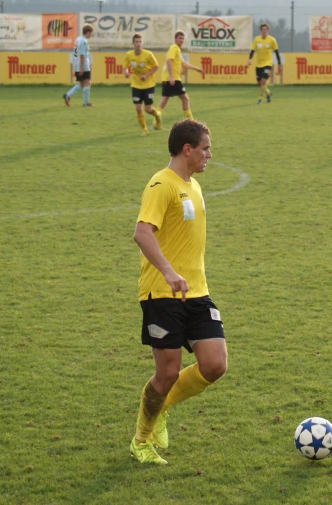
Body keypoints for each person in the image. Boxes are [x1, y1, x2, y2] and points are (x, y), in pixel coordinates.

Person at [130, 119, 227, 465]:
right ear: (187, 149)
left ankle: (162, 407)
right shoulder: (161, 184)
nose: (209, 155)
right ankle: (141, 440)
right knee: (167, 373)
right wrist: (169, 272)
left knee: (215, 365)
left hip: (197, 292)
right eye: (205, 148)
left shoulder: (194, 186)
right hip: (162, 293)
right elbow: (142, 233)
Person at [157, 31, 204, 121]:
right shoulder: (174, 48)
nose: (182, 40)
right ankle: (191, 121)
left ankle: (156, 122)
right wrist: (171, 76)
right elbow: (169, 60)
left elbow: (183, 63)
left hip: (168, 79)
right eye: (180, 38)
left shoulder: (176, 49)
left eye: (183, 38)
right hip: (173, 79)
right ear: (175, 39)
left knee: (163, 101)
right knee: (185, 99)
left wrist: (197, 69)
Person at [123, 33, 163, 135]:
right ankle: (144, 129)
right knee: (138, 107)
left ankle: (157, 116)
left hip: (148, 84)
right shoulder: (128, 55)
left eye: (140, 42)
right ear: (133, 43)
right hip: (136, 84)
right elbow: (125, 67)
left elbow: (156, 66)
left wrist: (146, 75)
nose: (138, 44)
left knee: (148, 109)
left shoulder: (148, 54)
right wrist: (126, 72)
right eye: (136, 42)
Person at [247, 23, 282, 104]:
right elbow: (252, 50)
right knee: (259, 84)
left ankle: (260, 99)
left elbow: (276, 52)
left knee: (263, 81)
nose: (264, 31)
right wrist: (250, 59)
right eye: (263, 29)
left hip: (268, 63)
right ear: (260, 30)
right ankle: (268, 93)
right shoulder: (256, 39)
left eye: (266, 29)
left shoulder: (272, 40)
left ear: (268, 30)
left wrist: (279, 64)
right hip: (259, 64)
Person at [63, 25, 94, 107]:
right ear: (87, 32)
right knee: (87, 82)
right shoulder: (84, 41)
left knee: (82, 83)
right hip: (82, 64)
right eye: (91, 33)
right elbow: (82, 55)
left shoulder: (78, 39)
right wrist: (82, 68)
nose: (91, 35)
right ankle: (85, 103)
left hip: (77, 63)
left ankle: (67, 95)